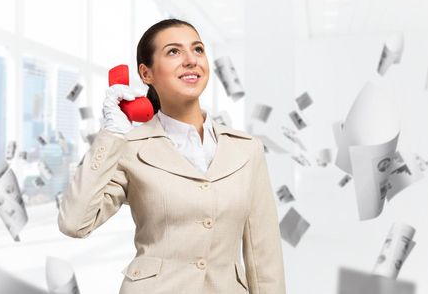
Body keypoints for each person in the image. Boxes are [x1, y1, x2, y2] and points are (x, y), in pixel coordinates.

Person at [58, 18, 286, 293]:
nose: (191, 60)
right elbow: (74, 222)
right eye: (174, 52)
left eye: (198, 49)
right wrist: (112, 134)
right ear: (146, 74)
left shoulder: (247, 149)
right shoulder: (129, 148)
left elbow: (265, 254)